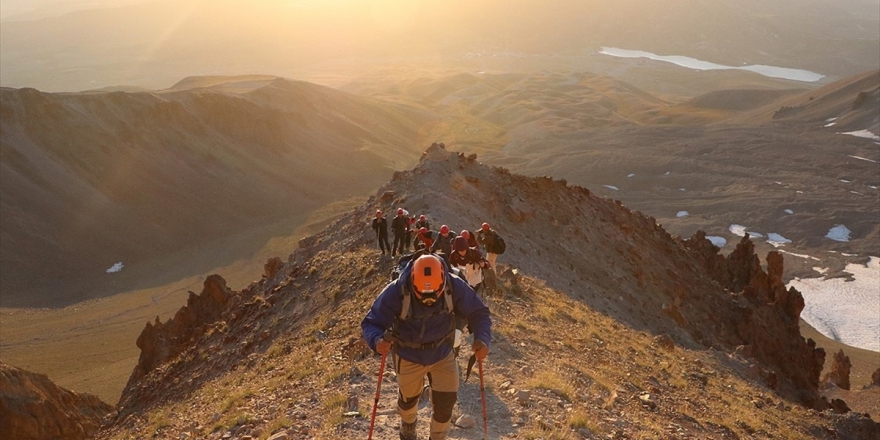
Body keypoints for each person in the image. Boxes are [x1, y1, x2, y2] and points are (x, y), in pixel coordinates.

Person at [362, 254, 491, 440]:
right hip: (408, 354)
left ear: (442, 281)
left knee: (445, 404)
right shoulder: (397, 290)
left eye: (433, 294)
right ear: (413, 280)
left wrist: (482, 338)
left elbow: (479, 313)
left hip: (443, 353)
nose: (428, 300)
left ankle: (437, 437)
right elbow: (371, 322)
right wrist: (376, 341)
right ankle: (408, 422)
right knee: (408, 402)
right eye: (422, 294)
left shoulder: (453, 285)